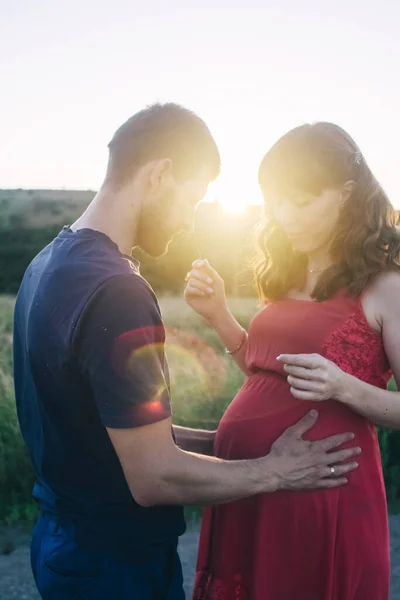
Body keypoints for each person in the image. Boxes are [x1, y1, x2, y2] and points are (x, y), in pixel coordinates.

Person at [14, 105, 360, 600]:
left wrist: (238, 443)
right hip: (118, 567)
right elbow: (153, 476)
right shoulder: (117, 290)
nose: (186, 222)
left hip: (62, 544)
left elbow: (119, 432)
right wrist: (278, 470)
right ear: (161, 174)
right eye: (193, 198)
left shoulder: (47, 263)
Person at [184, 122, 400, 600]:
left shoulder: (387, 285)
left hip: (322, 495)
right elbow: (270, 376)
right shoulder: (285, 274)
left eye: (302, 201)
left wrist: (345, 386)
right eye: (277, 201)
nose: (287, 216)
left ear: (346, 193)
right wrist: (219, 316)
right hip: (252, 483)